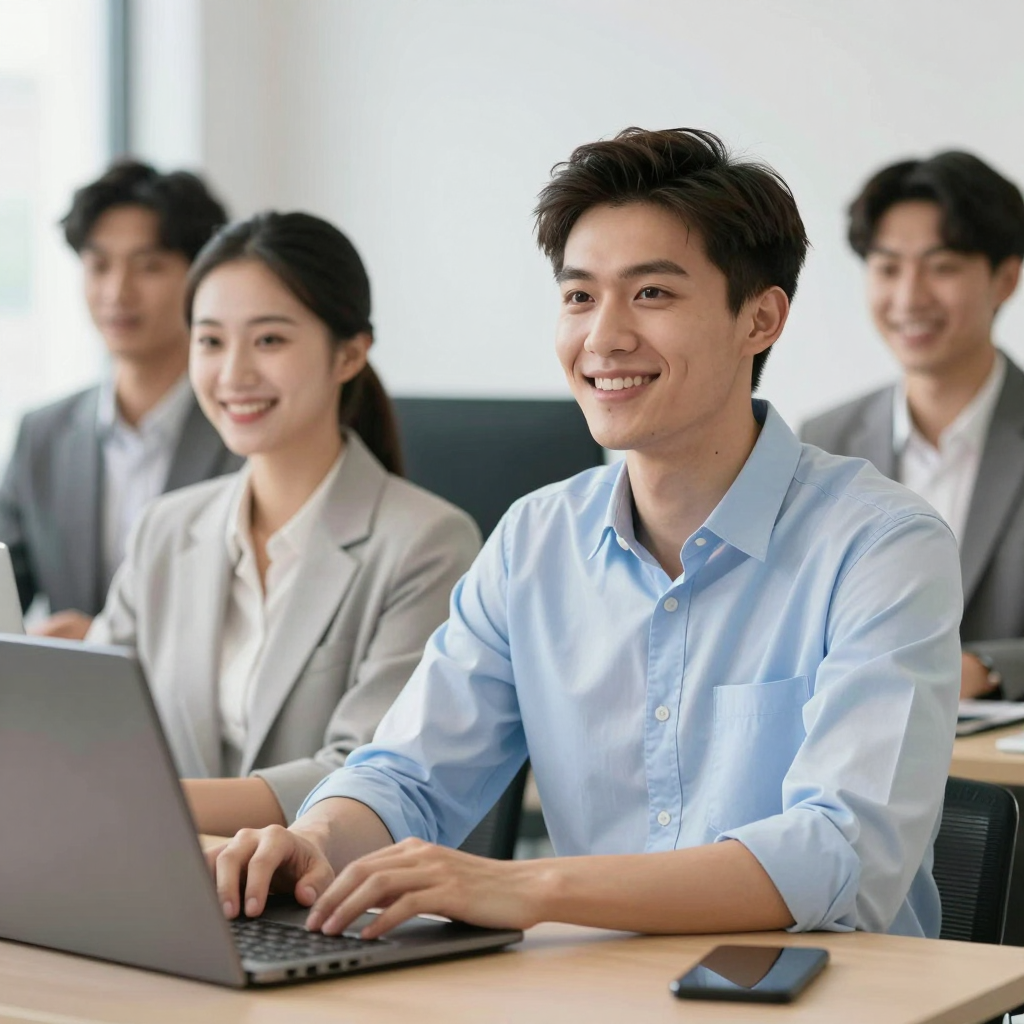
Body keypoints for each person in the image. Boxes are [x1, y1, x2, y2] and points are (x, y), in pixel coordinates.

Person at [209, 129, 961, 940]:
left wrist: (534, 888)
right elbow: (409, 775)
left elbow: (838, 851)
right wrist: (313, 843)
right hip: (592, 992)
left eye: (651, 295)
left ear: (761, 319)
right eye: (578, 297)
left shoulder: (884, 545)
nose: (603, 337)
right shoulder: (535, 540)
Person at [87, 211, 480, 836]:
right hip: (165, 887)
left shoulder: (428, 543)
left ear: (349, 353)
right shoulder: (165, 528)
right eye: (210, 341)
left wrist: (142, 803)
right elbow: (90, 718)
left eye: (269, 340)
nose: (234, 374)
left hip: (333, 905)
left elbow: (369, 773)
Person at [802, 151, 1024, 699]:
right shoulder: (823, 440)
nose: (909, 298)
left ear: (1005, 280)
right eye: (887, 267)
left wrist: (985, 669)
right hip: (854, 764)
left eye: (942, 266)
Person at [0, 159, 241, 639]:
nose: (117, 292)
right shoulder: (43, 432)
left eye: (149, 266)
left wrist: (103, 639)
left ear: (199, 278)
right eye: (98, 265)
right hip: (59, 707)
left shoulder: (245, 431)